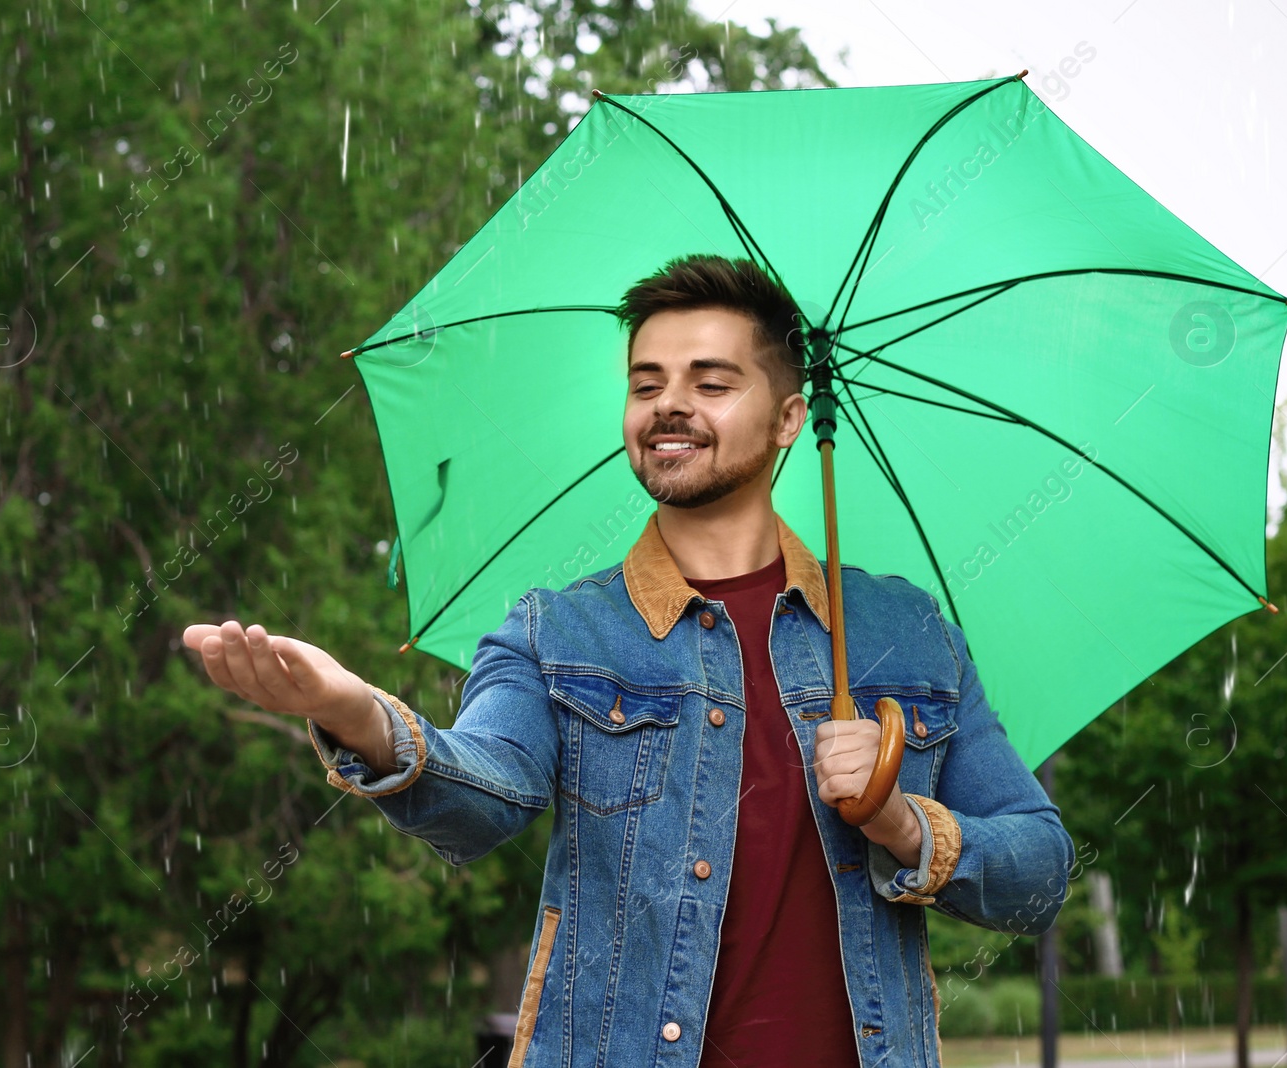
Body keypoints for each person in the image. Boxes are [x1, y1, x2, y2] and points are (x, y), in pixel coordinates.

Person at [183, 254, 1074, 1067]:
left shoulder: (904, 631)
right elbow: (483, 798)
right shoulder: (559, 632)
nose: (668, 406)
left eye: (711, 382)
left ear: (790, 418)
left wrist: (902, 824)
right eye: (647, 384)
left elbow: (1039, 872)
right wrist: (357, 716)